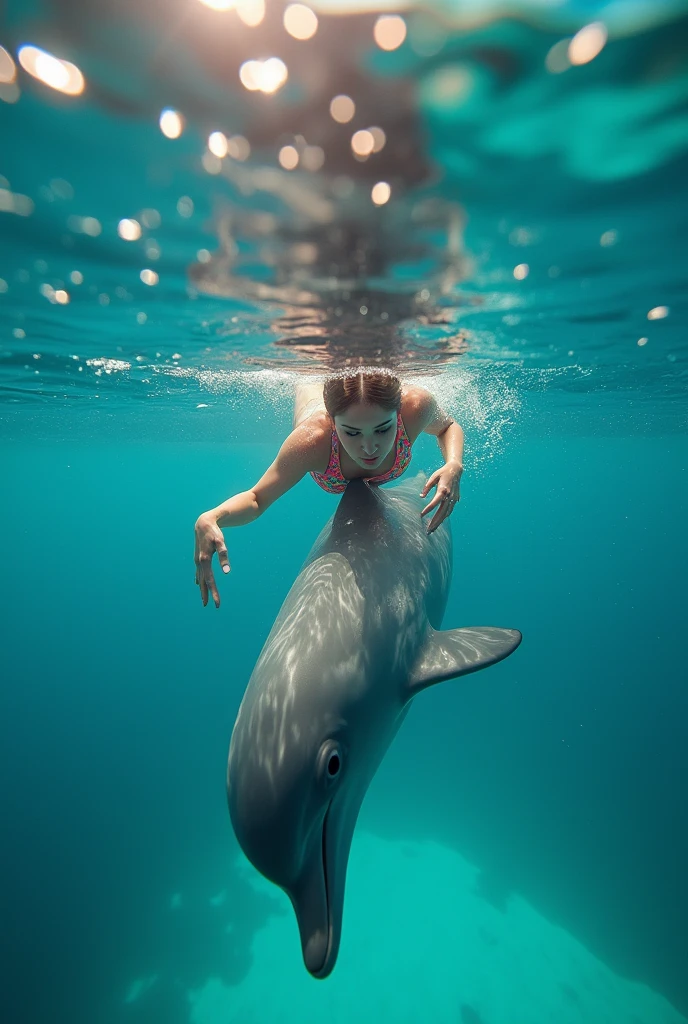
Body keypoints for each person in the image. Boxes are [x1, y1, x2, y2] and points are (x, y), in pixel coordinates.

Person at [194, 370, 464, 608]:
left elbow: (448, 427)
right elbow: (256, 498)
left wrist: (453, 463)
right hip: (314, 406)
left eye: (383, 430)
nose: (369, 449)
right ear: (334, 423)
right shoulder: (311, 443)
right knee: (308, 383)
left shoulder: (416, 406)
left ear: (398, 413)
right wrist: (213, 516)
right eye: (352, 432)